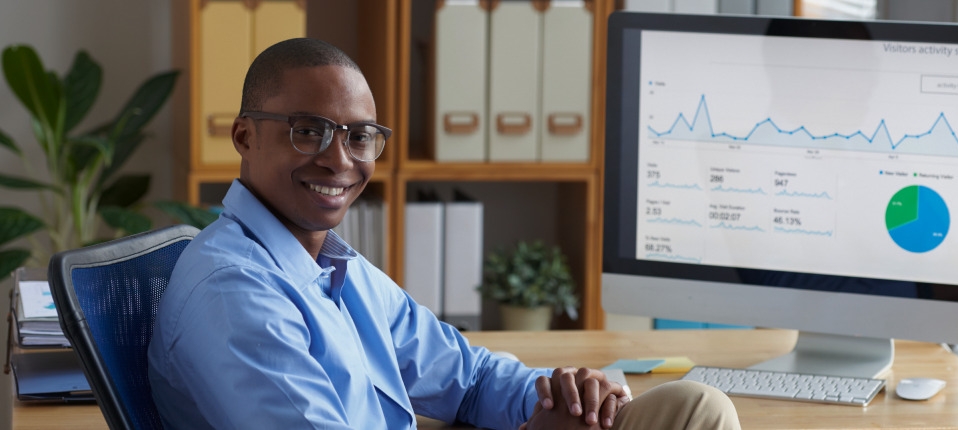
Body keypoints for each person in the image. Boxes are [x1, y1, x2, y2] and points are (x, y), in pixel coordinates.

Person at [147, 37, 740, 429]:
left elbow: (472, 377)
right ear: (245, 136)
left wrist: (558, 397)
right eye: (308, 131)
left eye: (359, 136)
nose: (339, 160)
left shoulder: (332, 268)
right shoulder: (236, 294)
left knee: (694, 406)